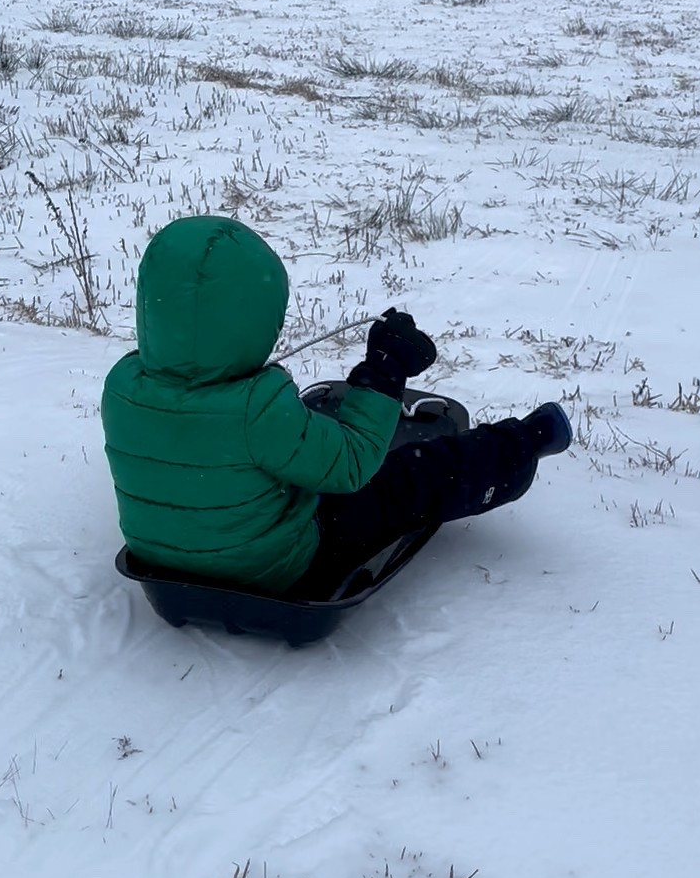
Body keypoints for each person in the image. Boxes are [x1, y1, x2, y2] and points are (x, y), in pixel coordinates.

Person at [101, 214, 572, 598]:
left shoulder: (121, 385)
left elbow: (193, 444)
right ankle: (523, 444)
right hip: (277, 568)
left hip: (158, 553)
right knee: (410, 478)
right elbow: (352, 464)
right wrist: (384, 374)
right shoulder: (256, 407)